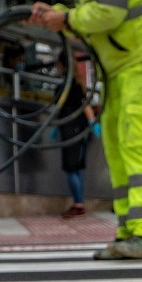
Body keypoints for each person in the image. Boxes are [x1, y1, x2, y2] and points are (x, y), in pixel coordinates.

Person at [24, 0, 142, 260]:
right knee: (118, 149)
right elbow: (92, 22)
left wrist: (65, 18)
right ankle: (130, 231)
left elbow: (108, 11)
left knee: (137, 142)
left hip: (141, 57)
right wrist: (56, 16)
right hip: (120, 64)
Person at [54, 51, 99, 218]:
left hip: (73, 130)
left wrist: (92, 122)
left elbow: (84, 104)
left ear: (61, 64)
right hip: (73, 129)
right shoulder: (73, 82)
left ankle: (78, 204)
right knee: (75, 168)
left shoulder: (70, 84)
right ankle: (78, 202)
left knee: (71, 167)